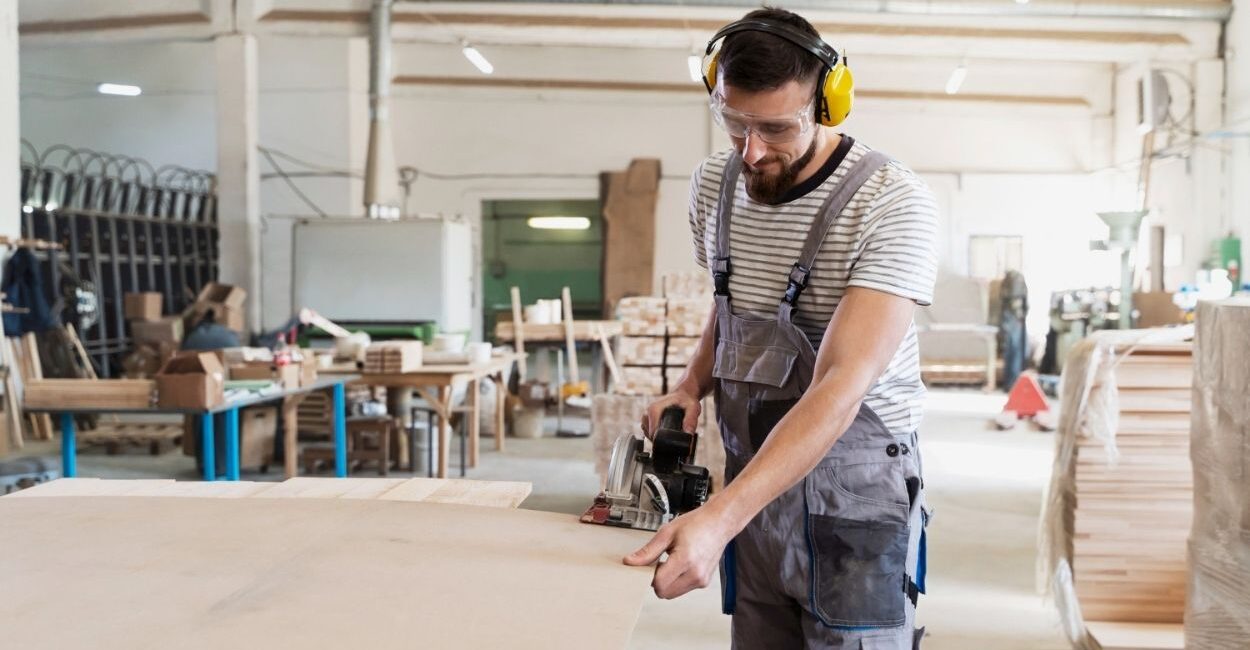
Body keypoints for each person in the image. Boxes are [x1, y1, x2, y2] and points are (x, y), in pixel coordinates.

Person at [624, 8, 939, 649]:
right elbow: (733, 304)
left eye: (775, 128)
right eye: (734, 123)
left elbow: (842, 386)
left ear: (828, 105)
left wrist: (718, 520)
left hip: (852, 494)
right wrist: (691, 385)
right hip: (755, 477)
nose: (752, 151)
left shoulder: (891, 203)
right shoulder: (715, 184)